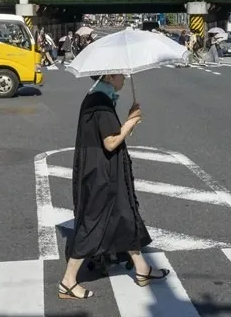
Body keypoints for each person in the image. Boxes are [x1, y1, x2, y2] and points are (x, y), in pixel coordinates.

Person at [58, 73, 170, 300]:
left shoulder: (99, 97)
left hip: (103, 172)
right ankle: (67, 282)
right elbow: (110, 142)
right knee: (93, 224)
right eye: (121, 74)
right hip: (101, 175)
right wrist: (131, 120)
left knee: (124, 217)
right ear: (109, 76)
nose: (125, 78)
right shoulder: (100, 103)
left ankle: (142, 269)